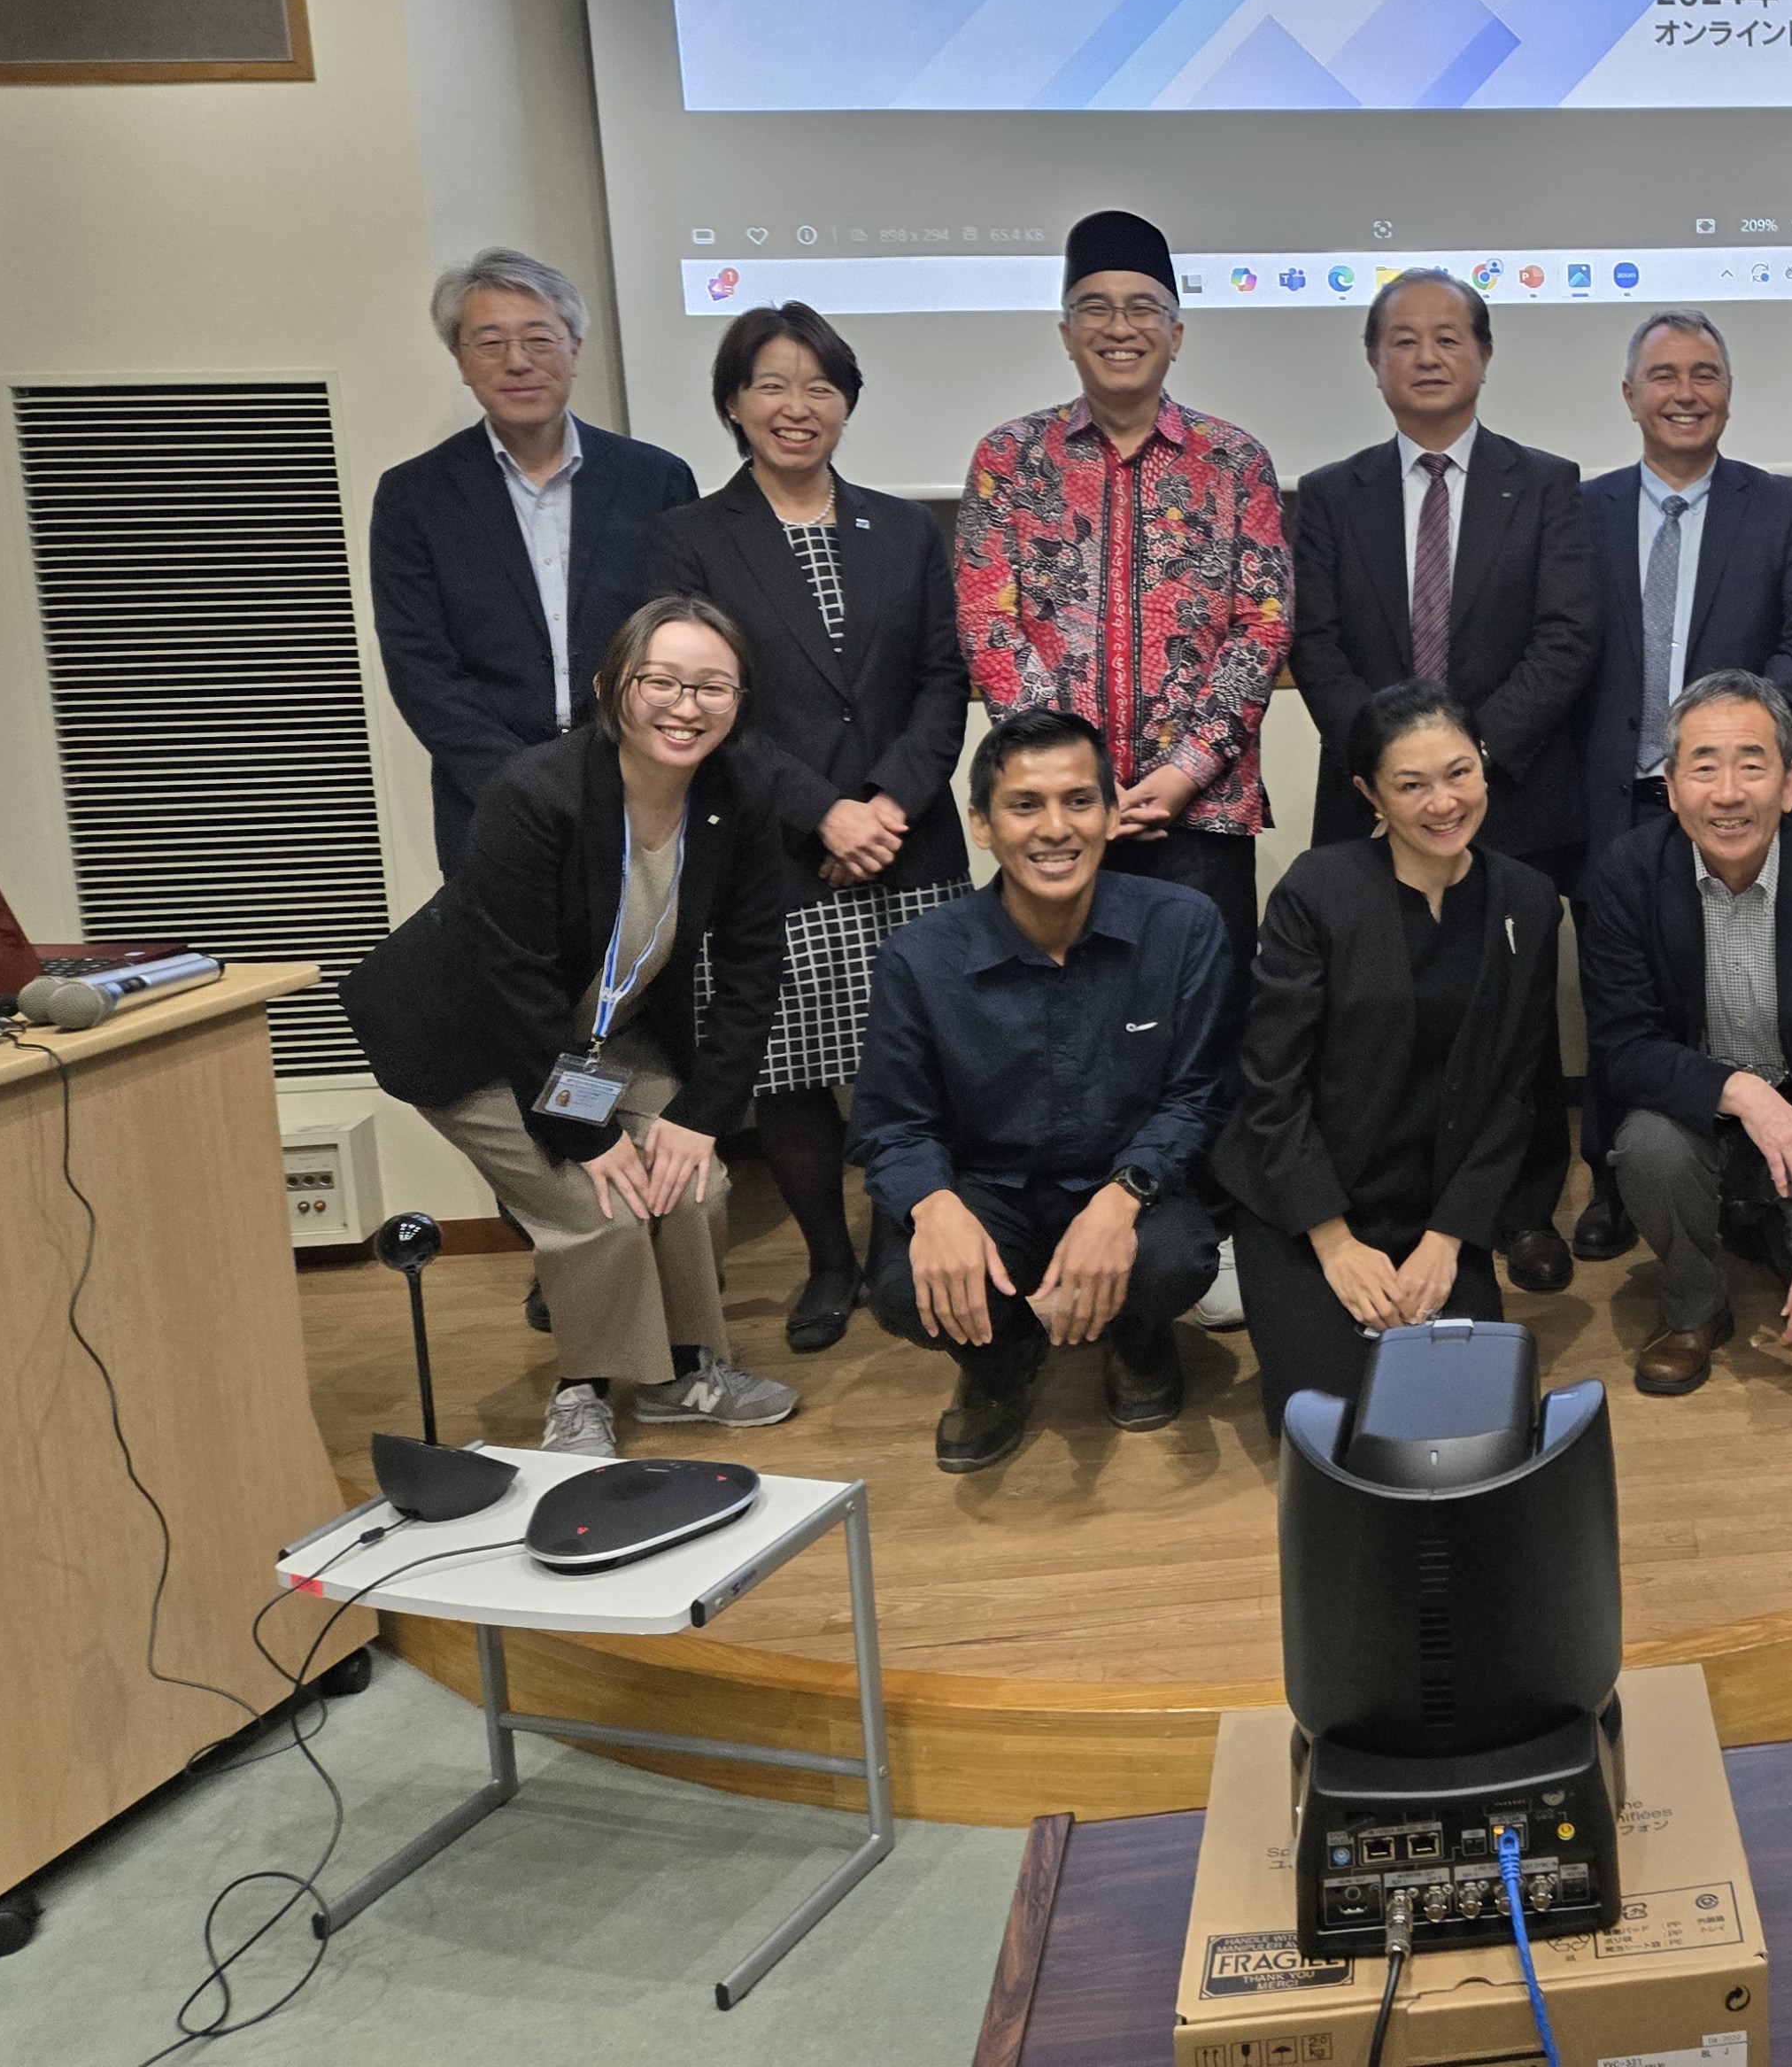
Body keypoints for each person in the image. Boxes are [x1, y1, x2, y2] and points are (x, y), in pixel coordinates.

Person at [341, 594, 802, 1458]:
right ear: (609, 687)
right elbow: (513, 990)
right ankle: (582, 1391)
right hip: (476, 1042)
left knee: (694, 1184)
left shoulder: (740, 795)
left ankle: (680, 1374)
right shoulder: (537, 792)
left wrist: (700, 1114)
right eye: (661, 681)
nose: (686, 706)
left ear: (739, 701)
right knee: (601, 1209)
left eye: (712, 686)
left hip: (605, 1031)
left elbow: (752, 967)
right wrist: (590, 1135)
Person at [650, 303, 970, 1352]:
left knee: (907, 1059)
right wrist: (822, 811)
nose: (798, 406)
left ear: (847, 402)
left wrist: (885, 805)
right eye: (773, 385)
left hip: (906, 841)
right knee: (784, 1068)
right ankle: (829, 1258)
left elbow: (941, 681)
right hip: (767, 846)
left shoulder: (905, 529)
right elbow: (699, 701)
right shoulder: (690, 539)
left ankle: (897, 1241)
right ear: (733, 402)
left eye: (820, 386)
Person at [1283, 269, 1595, 1291]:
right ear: (1374, 362)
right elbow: (1315, 646)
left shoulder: (1543, 482)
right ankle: (1388, 1196)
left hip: (1510, 798)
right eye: (1404, 340)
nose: (1427, 356)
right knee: (1380, 1007)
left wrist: (1463, 768)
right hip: (1370, 807)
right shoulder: (1331, 495)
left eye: (1449, 337)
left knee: (1514, 1014)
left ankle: (1526, 1208)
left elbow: (1566, 637)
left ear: (1485, 356)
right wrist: (1393, 774)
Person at [850, 708, 1232, 1473]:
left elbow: (1198, 1095)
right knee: (902, 1285)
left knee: (1175, 1261)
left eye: (1079, 801)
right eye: (1025, 805)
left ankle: (1138, 1338)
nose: (1055, 828)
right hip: (989, 1188)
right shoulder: (919, 957)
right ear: (982, 825)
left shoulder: (1182, 927)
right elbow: (892, 1125)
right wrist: (934, 1208)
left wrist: (1122, 1197)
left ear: (1112, 814)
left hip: (1127, 1176)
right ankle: (1001, 1362)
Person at [1572, 307, 1792, 1263]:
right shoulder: (1584, 508)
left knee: (1740, 983)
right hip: (1613, 793)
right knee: (1620, 995)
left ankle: (1761, 1169)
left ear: (1728, 394)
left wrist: (1730, 739)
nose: (1684, 393)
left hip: (1733, 794)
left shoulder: (1782, 506)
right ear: (1629, 396)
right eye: (1663, 375)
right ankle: (1612, 1178)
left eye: (1704, 375)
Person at [1215, 683, 1564, 1428]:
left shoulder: (1527, 899)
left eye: (1459, 772)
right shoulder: (1318, 889)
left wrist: (1450, 1237)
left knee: (1468, 1420)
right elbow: (1271, 1083)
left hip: (1435, 1207)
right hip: (1309, 1204)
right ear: (1369, 794)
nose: (1444, 802)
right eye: (1411, 785)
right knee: (1331, 1424)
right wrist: (1334, 1241)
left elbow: (1516, 1089)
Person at [954, 208, 1291, 961]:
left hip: (1200, 813)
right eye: (1096, 309)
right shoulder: (1008, 458)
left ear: (1176, 333)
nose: (1119, 328)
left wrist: (1185, 772)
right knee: (1054, 1010)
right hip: (1054, 818)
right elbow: (987, 623)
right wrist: (1072, 779)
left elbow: (1262, 627)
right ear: (1066, 331)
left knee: (1202, 1014)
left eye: (1143, 309)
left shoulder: (1235, 461)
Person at [1580, 670, 1792, 1397]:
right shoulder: (1626, 875)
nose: (1728, 793)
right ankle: (1694, 1306)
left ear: (1789, 784)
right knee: (1648, 1149)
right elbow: (1623, 1050)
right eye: (1704, 767)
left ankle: (1783, 1235)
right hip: (1696, 1112)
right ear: (1671, 786)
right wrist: (1744, 1094)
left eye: (1752, 766)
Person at [371, 248, 699, 879]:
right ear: (460, 359)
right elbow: (419, 665)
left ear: (575, 349)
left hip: (644, 792)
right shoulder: (415, 496)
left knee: (656, 944)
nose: (517, 361)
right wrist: (522, 785)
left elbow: (683, 640)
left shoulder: (656, 479)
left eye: (539, 339)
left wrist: (639, 768)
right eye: (490, 343)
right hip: (488, 804)